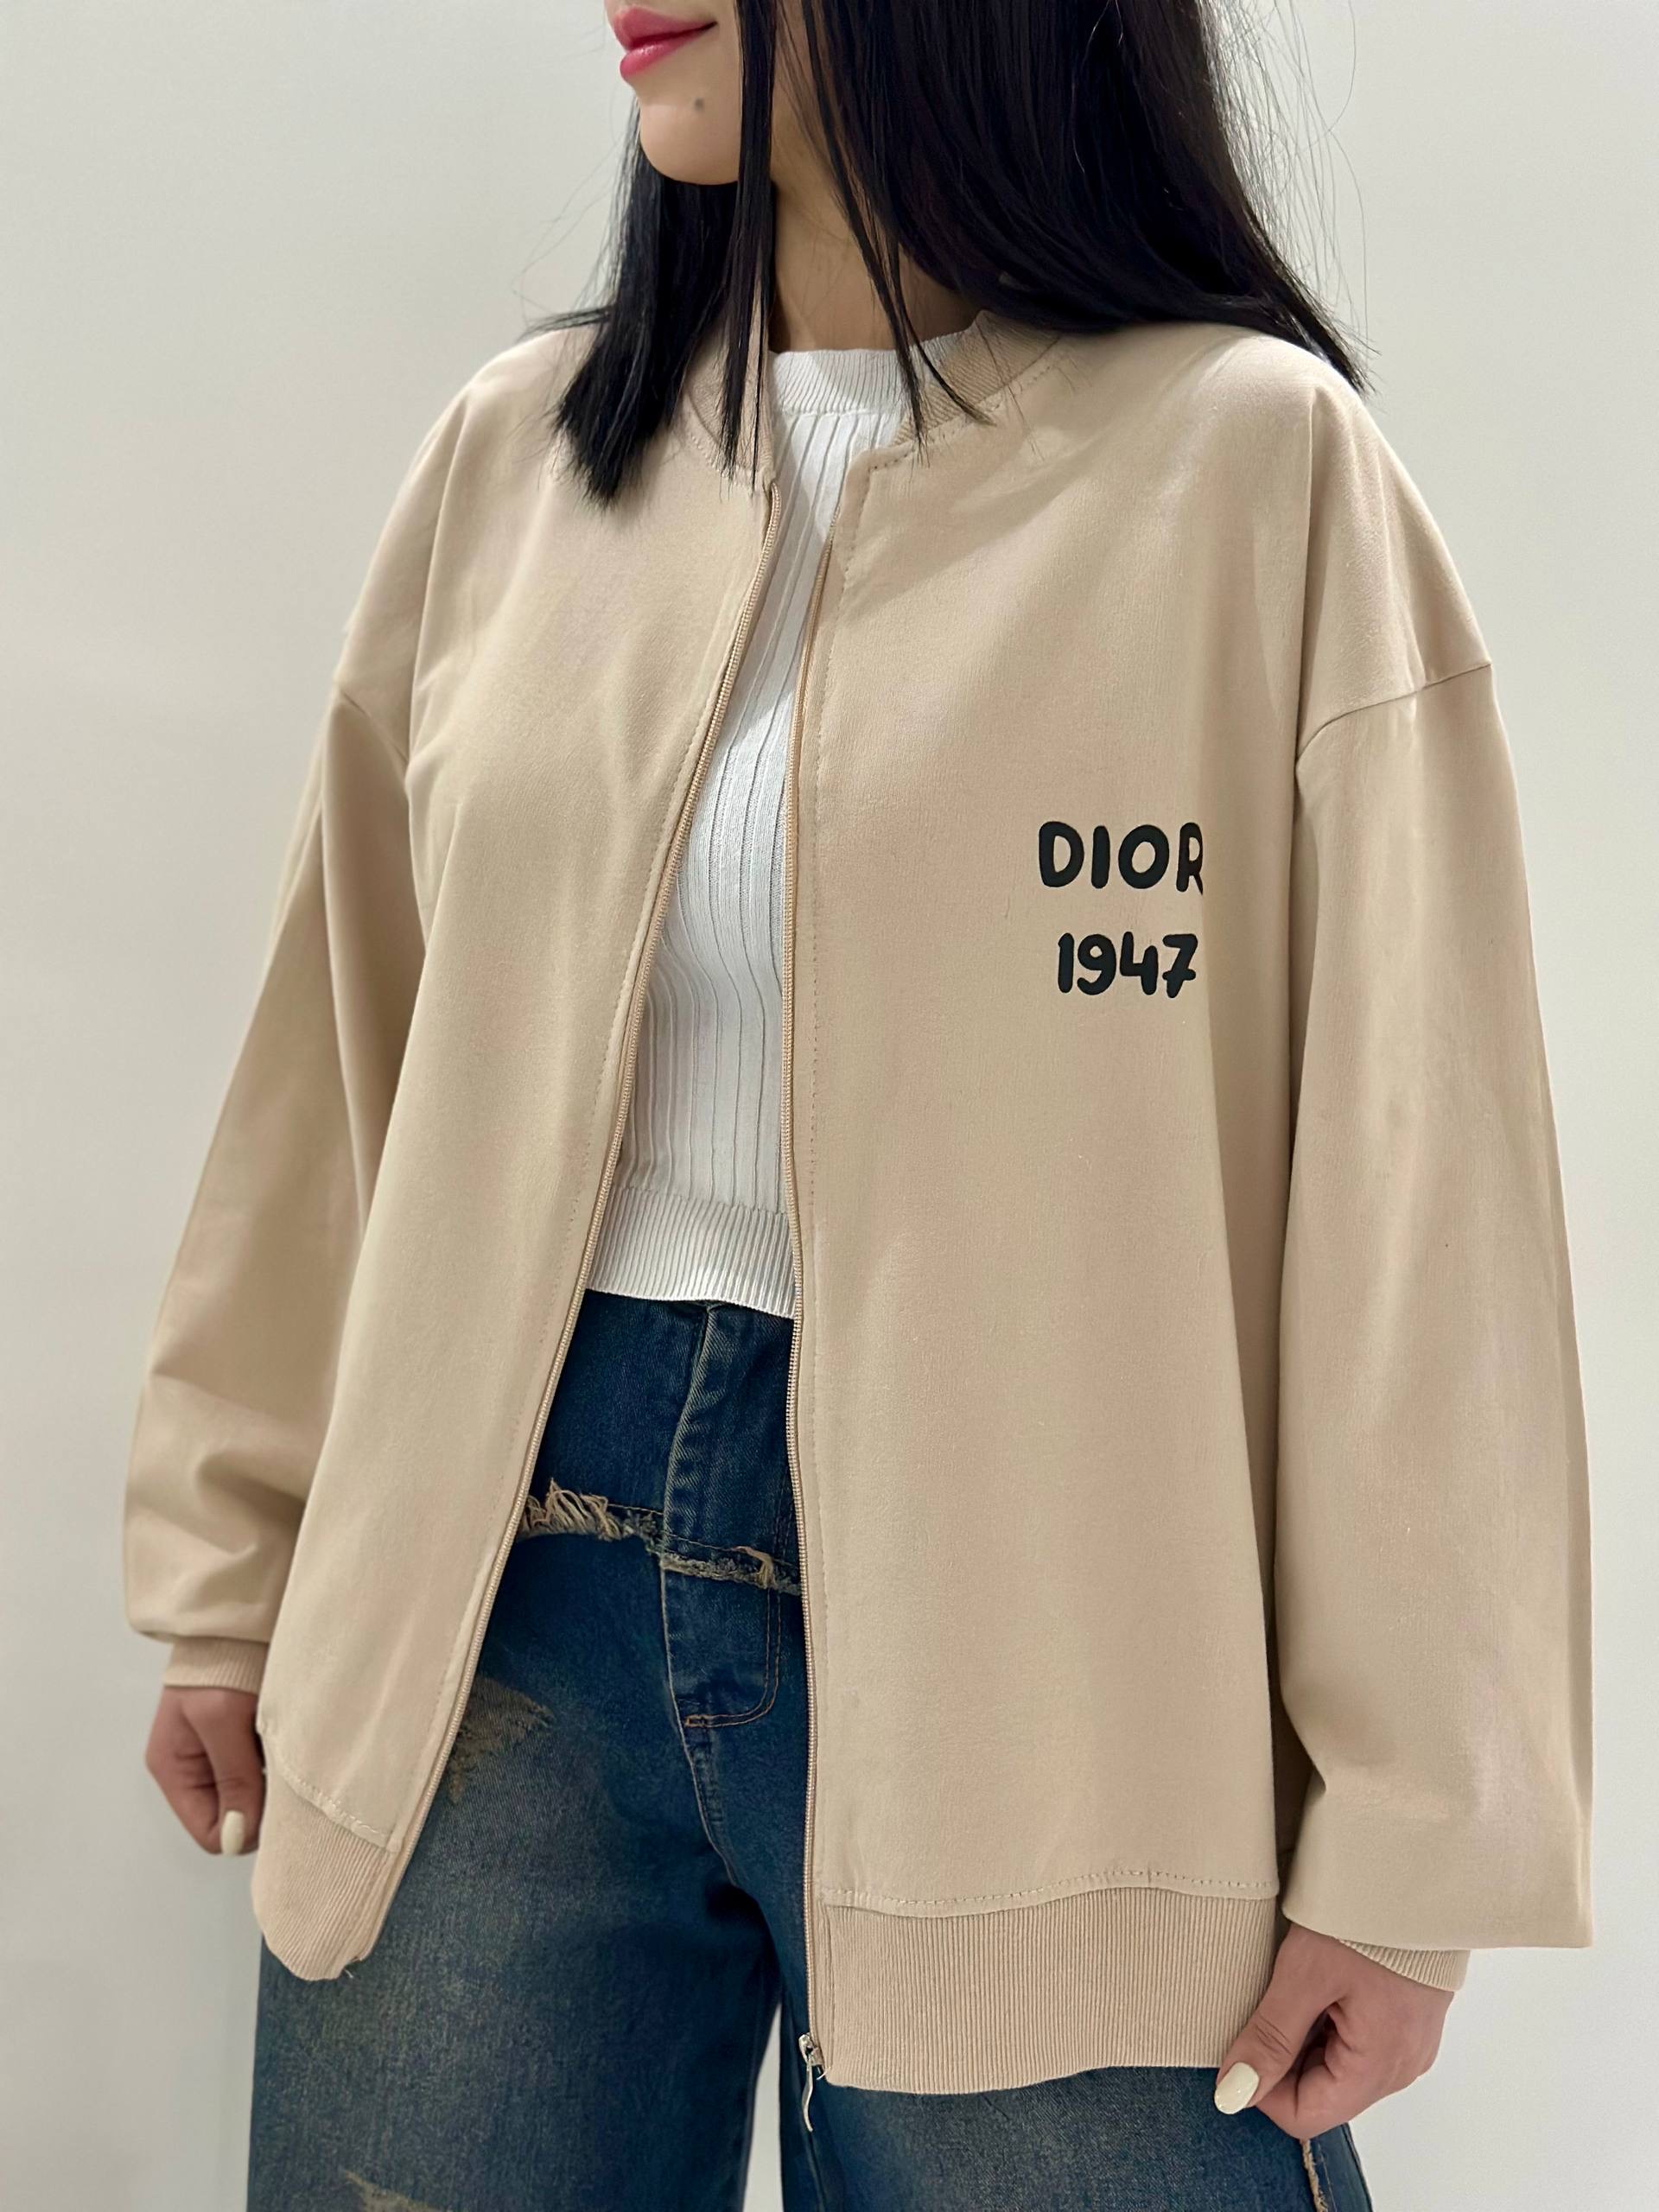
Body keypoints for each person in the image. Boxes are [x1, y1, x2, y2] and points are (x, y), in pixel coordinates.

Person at [124, 0, 1593, 2204]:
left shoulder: (1254, 475)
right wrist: (232, 1570)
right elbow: (340, 1069)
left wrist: (1415, 1833)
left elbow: (1420, 1188)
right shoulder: (518, 461)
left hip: (1060, 1666)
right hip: (481, 1618)